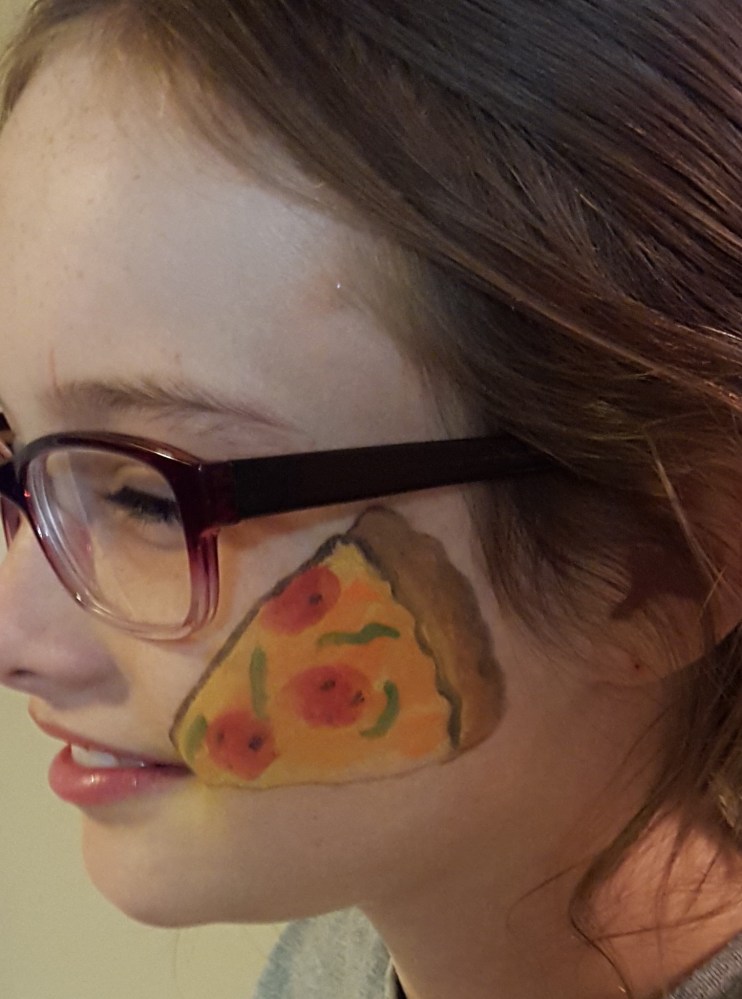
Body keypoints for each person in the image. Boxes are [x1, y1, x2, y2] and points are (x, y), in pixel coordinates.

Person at [1, 1, 742, 997]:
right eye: (12, 458)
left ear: (660, 560)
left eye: (147, 500)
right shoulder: (326, 967)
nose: (15, 639)